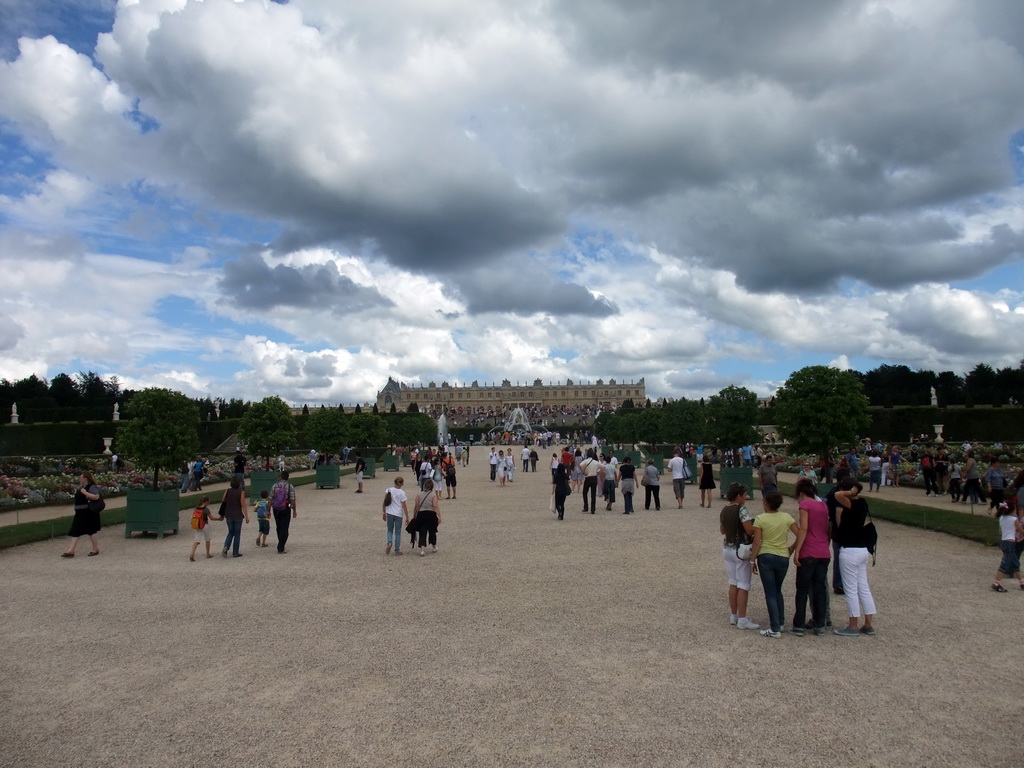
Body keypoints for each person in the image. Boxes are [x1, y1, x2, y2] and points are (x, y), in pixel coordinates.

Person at [750, 491, 797, 638]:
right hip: (783, 556)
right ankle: (780, 622)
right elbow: (801, 533)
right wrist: (793, 548)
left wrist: (752, 559)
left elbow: (757, 542)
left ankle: (775, 628)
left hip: (766, 556)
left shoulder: (760, 519)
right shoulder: (786, 517)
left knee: (770, 593)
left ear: (766, 503)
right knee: (777, 590)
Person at [832, 482, 877, 636]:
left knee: (850, 589)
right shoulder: (863, 504)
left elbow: (838, 495)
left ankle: (852, 626)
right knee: (863, 587)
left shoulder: (851, 503)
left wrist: (850, 491)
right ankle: (868, 624)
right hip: (862, 549)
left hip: (849, 550)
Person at [790, 479, 831, 636]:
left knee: (802, 589)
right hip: (823, 551)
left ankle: (799, 624)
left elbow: (804, 528)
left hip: (809, 551)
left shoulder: (805, 505)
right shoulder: (823, 505)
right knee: (819, 588)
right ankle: (820, 624)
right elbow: (826, 528)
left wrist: (797, 550)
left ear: (801, 493)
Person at [720, 483, 760, 630]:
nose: (746, 497)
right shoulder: (741, 509)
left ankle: (734, 615)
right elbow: (749, 530)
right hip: (740, 549)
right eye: (744, 495)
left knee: (733, 582)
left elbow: (722, 530)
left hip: (727, 548)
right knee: (743, 584)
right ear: (738, 496)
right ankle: (742, 619)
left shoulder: (724, 510)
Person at [62, 472, 103, 558]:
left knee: (90, 530)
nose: (79, 479)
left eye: (81, 477)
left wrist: (85, 493)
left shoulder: (91, 486)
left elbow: (96, 496)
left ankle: (94, 548)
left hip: (88, 512)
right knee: (77, 530)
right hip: (80, 512)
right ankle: (71, 550)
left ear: (86, 478)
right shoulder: (83, 486)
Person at [991, 501, 1024, 592]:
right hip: (1010, 543)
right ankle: (996, 583)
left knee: (1015, 563)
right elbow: (1021, 531)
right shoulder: (1014, 520)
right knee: (1005, 564)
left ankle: (1022, 582)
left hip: (1004, 542)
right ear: (1013, 510)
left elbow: (1000, 532)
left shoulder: (1001, 518)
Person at [220, 476, 249, 558]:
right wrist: (246, 516)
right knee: (237, 534)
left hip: (228, 514)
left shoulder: (227, 491)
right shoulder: (241, 492)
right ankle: (235, 552)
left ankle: (226, 546)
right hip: (238, 515)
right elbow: (243, 505)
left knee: (230, 532)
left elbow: (223, 501)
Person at [411, 479, 441, 556]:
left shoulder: (419, 494)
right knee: (432, 530)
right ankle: (434, 546)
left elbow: (416, 506)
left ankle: (422, 550)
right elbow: (435, 506)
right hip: (431, 514)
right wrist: (439, 516)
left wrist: (414, 515)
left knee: (422, 531)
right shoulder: (433, 495)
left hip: (421, 514)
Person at [271, 471, 297, 554]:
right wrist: (294, 510)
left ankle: (280, 543)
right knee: (285, 527)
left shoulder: (275, 486)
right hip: (285, 507)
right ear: (287, 477)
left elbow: (270, 498)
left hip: (276, 508)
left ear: (280, 477)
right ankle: (281, 546)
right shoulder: (289, 486)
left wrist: (268, 510)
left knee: (278, 526)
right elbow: (292, 499)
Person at [383, 477, 409, 556]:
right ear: (401, 484)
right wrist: (407, 516)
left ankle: (389, 542)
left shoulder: (389, 490)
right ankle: (397, 550)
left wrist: (384, 512)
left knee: (389, 530)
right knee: (398, 532)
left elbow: (385, 502)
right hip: (398, 514)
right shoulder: (402, 492)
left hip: (390, 512)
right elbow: (404, 506)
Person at [190, 495, 222, 561]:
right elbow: (211, 518)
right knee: (207, 539)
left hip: (198, 525)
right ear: (206, 502)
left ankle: (192, 553)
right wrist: (219, 519)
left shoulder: (196, 508)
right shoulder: (206, 509)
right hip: (205, 525)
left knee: (196, 540)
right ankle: (207, 553)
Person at [580, 449, 600, 513]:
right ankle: (593, 509)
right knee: (593, 494)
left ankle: (586, 507)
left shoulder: (586, 461)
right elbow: (603, 467)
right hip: (594, 478)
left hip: (588, 477)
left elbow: (580, 465)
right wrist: (597, 473)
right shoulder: (596, 462)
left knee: (585, 493)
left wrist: (583, 472)